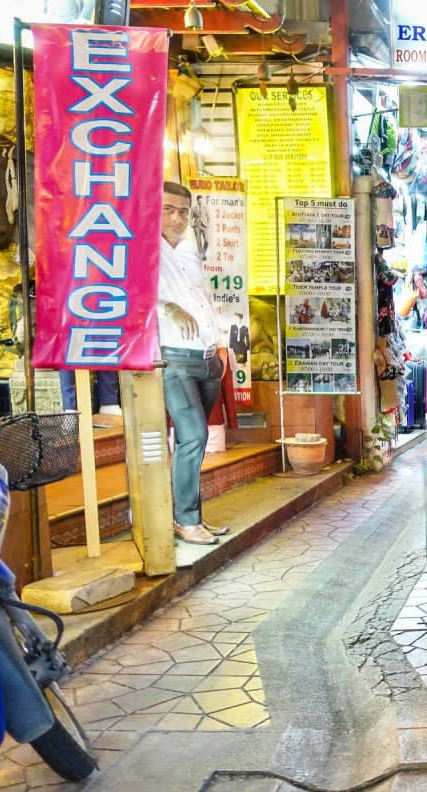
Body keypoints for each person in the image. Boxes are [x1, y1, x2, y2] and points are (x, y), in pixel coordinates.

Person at [158, 182, 229, 546]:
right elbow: (131, 295)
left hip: (208, 358)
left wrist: (221, 345)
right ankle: (184, 520)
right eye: (168, 209)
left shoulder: (188, 249)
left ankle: (192, 516)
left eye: (183, 211)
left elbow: (203, 298)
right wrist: (167, 307)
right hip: (175, 360)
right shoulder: (143, 251)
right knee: (193, 436)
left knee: (195, 443)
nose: (177, 218)